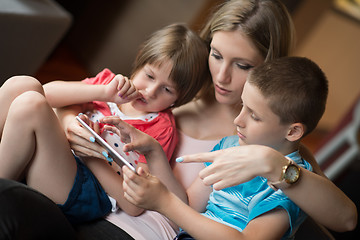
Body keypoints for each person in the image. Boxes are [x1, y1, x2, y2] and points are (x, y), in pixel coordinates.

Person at [57, 0, 356, 237]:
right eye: (215, 55)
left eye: (242, 65)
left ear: (268, 68)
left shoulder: (269, 138)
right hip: (90, 206)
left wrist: (274, 164)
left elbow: (345, 219)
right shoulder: (168, 106)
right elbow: (87, 104)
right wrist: (70, 121)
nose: (222, 76)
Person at [0, 23, 208, 225]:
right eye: (150, 76)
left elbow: (133, 204)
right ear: (139, 60)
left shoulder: (160, 129)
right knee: (22, 85)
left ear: (178, 100)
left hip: (84, 188)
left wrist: (91, 154)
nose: (151, 91)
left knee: (31, 104)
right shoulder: (109, 82)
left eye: (167, 90)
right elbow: (46, 92)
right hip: (55, 157)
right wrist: (103, 93)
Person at [117, 56, 328, 239]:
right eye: (242, 106)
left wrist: (164, 202)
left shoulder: (290, 185)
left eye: (254, 116)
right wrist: (154, 154)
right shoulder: (229, 146)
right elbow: (189, 206)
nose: (238, 120)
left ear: (292, 132)